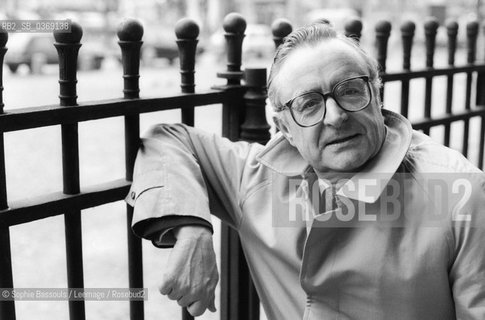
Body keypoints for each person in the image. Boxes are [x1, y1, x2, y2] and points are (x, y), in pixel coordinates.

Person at [125, 21, 485, 319]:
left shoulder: (460, 190)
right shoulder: (258, 178)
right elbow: (166, 140)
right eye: (309, 105)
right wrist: (193, 232)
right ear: (284, 129)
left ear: (377, 95)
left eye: (351, 90)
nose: (337, 116)